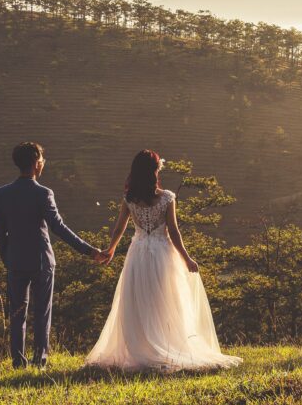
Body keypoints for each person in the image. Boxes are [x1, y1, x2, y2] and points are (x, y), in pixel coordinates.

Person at [85, 149, 242, 372]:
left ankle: (142, 347)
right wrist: (186, 258)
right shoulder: (167, 198)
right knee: (166, 299)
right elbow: (174, 232)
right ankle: (166, 345)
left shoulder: (130, 199)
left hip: (138, 253)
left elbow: (119, 227)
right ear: (154, 171)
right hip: (162, 253)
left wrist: (110, 249)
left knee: (140, 300)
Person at [0, 141, 103, 368]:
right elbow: (59, 227)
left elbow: (0, 232)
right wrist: (89, 250)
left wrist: (8, 259)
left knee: (17, 314)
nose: (43, 163)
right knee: (42, 312)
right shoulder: (43, 193)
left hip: (15, 261)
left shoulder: (2, 194)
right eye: (42, 160)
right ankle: (39, 361)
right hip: (41, 260)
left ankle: (18, 362)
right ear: (36, 164)